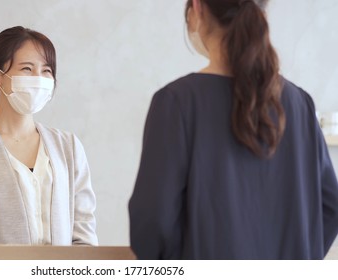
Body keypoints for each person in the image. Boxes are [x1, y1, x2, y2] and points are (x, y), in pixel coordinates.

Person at [129, 0, 338, 259]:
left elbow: (152, 222)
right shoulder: (300, 105)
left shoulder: (177, 103)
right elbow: (331, 206)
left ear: (197, 7)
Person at [0, 26, 98, 245]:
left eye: (46, 71)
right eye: (27, 69)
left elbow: (85, 236)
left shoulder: (69, 147)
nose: (39, 79)